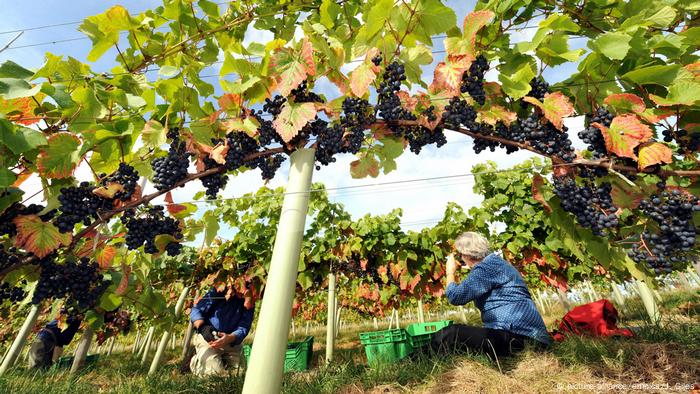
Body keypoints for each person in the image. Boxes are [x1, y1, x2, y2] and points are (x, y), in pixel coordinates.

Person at [431, 232, 551, 358]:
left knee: (450, 334)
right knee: (462, 334)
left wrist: (450, 272)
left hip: (522, 340)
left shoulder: (486, 268)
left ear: (466, 254)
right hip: (530, 338)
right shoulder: (494, 263)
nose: (461, 258)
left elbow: (455, 296)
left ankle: (416, 361)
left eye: (461, 255)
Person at [188, 286, 254, 376]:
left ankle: (221, 361)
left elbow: (244, 326)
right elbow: (196, 310)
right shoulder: (219, 289)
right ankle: (194, 363)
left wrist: (231, 337)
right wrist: (203, 328)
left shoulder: (249, 297)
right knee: (213, 374)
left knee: (240, 375)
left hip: (231, 341)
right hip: (210, 339)